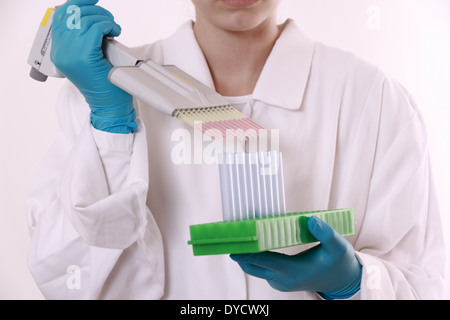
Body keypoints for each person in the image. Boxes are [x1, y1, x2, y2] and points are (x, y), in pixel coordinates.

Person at [26, 0, 446, 299]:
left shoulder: (374, 99)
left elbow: (425, 283)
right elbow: (65, 280)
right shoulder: (102, 92)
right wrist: (111, 127)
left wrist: (356, 285)